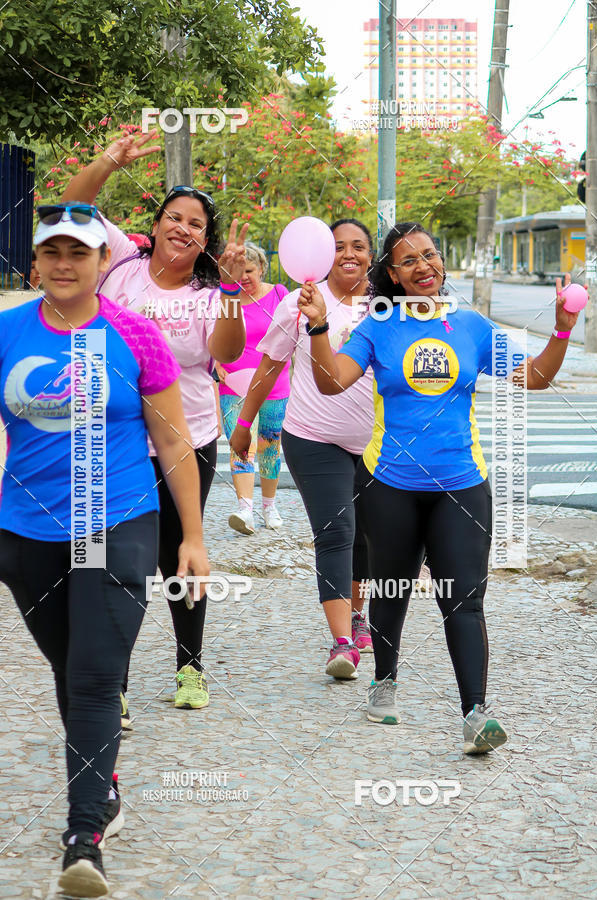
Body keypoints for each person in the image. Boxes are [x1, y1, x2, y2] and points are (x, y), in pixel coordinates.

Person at [300, 220, 581, 753]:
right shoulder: (378, 326)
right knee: (392, 590)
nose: (423, 266)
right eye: (408, 261)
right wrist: (317, 329)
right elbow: (331, 381)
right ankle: (385, 681)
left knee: (465, 601)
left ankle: (475, 713)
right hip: (391, 485)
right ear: (393, 275)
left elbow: (534, 377)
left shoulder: (471, 326)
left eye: (429, 255)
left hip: (462, 486)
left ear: (441, 261)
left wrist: (563, 329)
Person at [0, 203, 209, 896]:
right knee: (68, 665)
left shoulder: (134, 335)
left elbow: (174, 442)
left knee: (93, 675)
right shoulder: (7, 333)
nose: (64, 263)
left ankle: (83, 836)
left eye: (78, 253)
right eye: (52, 252)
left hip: (113, 519)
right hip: (26, 532)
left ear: (99, 264)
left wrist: (195, 539)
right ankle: (105, 782)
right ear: (36, 262)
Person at [62, 132, 247, 715]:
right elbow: (72, 208)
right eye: (174, 217)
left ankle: (189, 667)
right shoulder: (120, 261)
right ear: (158, 222)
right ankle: (111, 681)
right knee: (113, 559)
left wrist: (236, 292)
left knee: (178, 553)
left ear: (205, 240)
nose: (183, 228)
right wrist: (109, 161)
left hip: (186, 438)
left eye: (196, 224)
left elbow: (228, 350)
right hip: (110, 436)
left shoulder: (211, 293)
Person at [230, 219, 375, 677]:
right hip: (313, 438)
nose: (349, 254)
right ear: (322, 254)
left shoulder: (388, 306)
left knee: (369, 537)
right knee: (336, 532)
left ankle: (359, 611)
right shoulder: (300, 303)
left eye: (359, 246)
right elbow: (269, 366)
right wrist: (245, 422)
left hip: (377, 443)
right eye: (338, 247)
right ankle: (342, 643)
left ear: (371, 255)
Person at [216, 241, 290, 534]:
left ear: (261, 268)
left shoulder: (279, 295)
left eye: (249, 270)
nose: (244, 277)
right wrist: (216, 362)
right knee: (240, 444)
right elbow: (214, 331)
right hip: (233, 382)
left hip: (274, 382)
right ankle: (244, 509)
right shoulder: (225, 298)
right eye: (239, 271)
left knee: (270, 445)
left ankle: (269, 506)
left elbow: (291, 333)